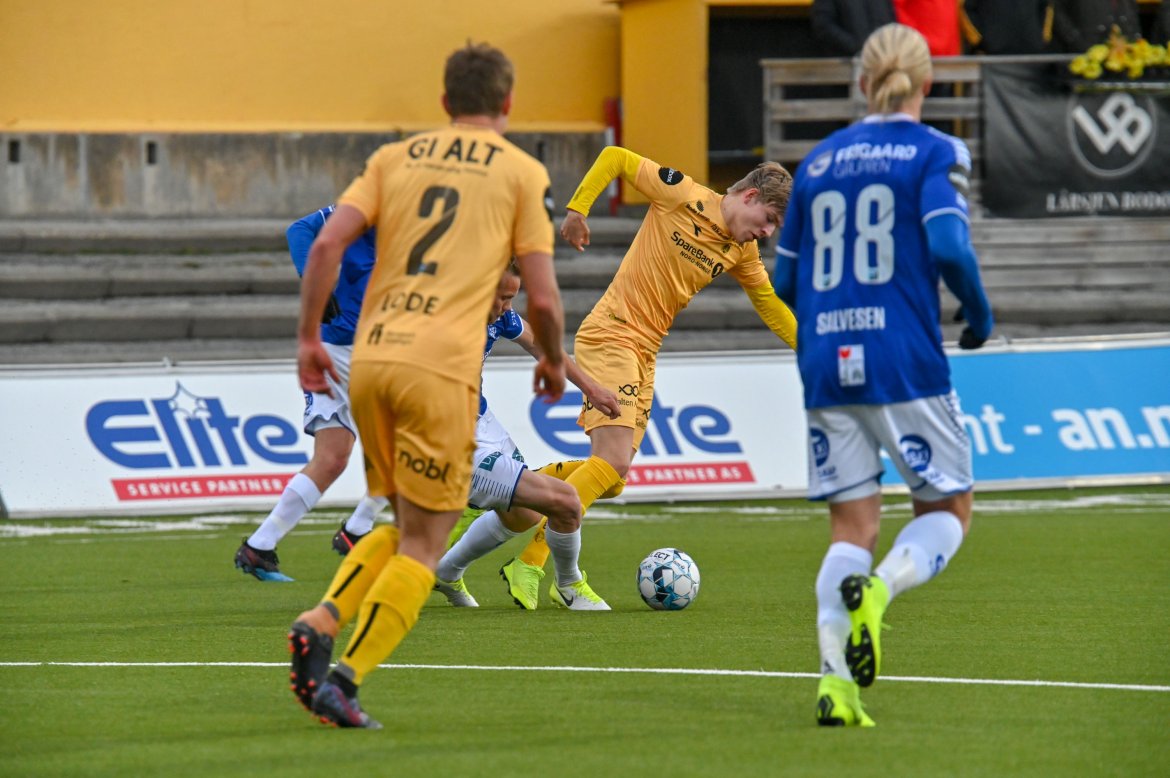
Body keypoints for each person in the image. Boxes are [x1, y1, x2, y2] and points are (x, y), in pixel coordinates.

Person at [285, 42, 568, 729]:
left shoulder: (394, 159)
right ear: (507, 104)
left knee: (398, 513)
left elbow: (321, 246)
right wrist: (554, 362)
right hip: (440, 368)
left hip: (373, 358)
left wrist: (308, 340)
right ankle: (342, 676)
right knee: (425, 544)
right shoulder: (521, 173)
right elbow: (544, 298)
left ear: (444, 102)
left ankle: (321, 625)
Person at [774, 23, 993, 727]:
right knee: (947, 509)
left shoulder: (816, 162)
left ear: (861, 81)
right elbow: (951, 245)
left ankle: (834, 687)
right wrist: (979, 313)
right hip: (903, 354)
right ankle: (881, 593)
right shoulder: (935, 150)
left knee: (851, 526)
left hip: (824, 360)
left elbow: (784, 279)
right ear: (927, 82)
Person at [492, 147, 799, 611]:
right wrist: (577, 209)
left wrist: (811, 350)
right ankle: (534, 564)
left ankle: (512, 485)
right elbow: (614, 157)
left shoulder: (743, 251)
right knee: (611, 462)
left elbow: (771, 306)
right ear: (750, 196)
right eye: (769, 219)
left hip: (645, 351)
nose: (767, 231)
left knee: (612, 479)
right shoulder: (681, 193)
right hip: (612, 333)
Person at [432, 263, 621, 610]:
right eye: (501, 297)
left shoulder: (501, 319)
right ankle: (568, 585)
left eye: (511, 297)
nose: (506, 306)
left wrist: (592, 389)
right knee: (564, 502)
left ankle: (446, 570)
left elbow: (544, 350)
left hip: (480, 423)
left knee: (525, 515)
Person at [233, 206, 387, 582]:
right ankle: (357, 531)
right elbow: (300, 229)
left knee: (333, 457)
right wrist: (313, 280)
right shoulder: (375, 203)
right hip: (348, 350)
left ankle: (259, 547)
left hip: (350, 348)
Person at [962, 0, 1054, 54]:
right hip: (994, 55)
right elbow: (966, 8)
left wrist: (1041, 39)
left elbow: (1046, 7)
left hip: (1032, 52)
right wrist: (981, 42)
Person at [811, 0, 897, 57]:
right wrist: (856, 46)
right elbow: (823, 25)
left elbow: (890, 19)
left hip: (883, 61)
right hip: (846, 66)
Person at [1050, 0, 1140, 52]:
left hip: (1125, 58)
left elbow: (1131, 16)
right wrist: (1078, 42)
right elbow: (1058, 14)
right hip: (1083, 56)